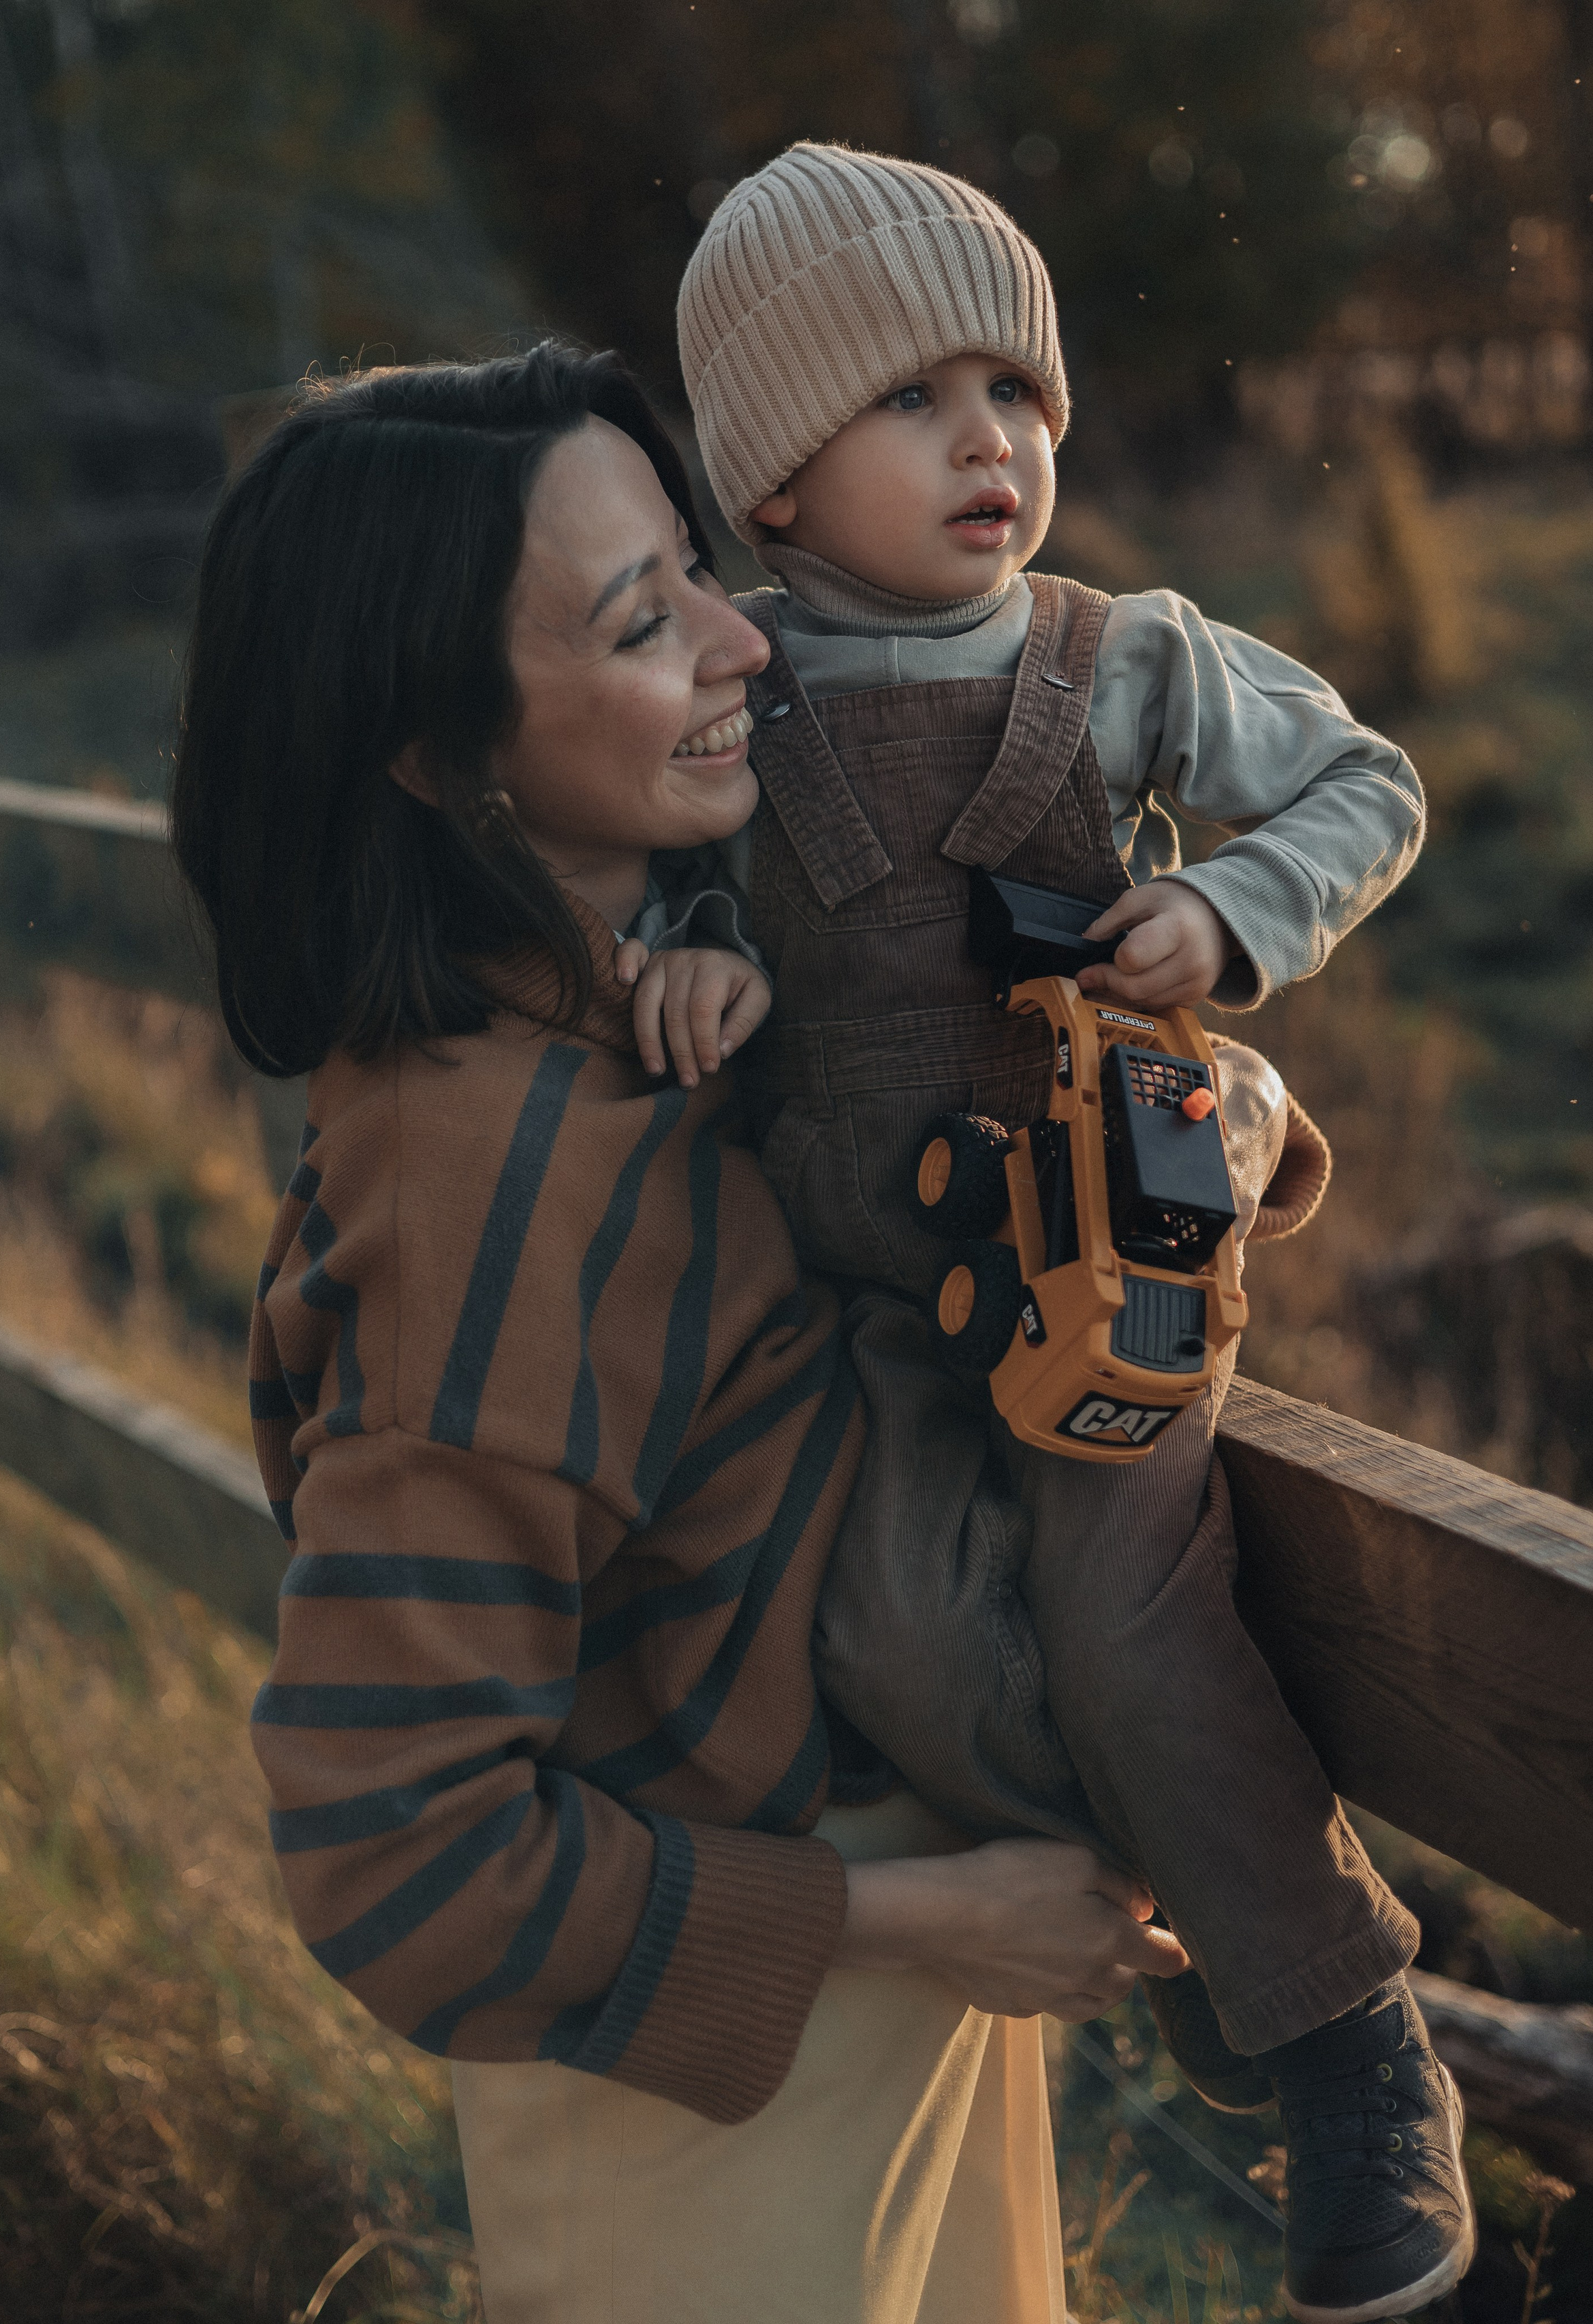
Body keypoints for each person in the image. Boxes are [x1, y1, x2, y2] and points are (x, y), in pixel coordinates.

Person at [169, 343, 1188, 2324]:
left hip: (863, 2027)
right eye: (645, 623)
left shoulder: (650, 1018)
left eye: (702, 570)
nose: (746, 641)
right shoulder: (497, 1172)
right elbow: (397, 1855)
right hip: (722, 2130)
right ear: (436, 753)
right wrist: (930, 1917)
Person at [657, 143, 1473, 2324]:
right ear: (772, 476)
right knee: (895, 1639)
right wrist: (685, 965)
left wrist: (1231, 905)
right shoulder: (727, 692)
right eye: (913, 399)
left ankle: (1347, 2037)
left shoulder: (1117, 662)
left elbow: (1370, 784)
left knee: (1131, 1625)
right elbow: (644, 879)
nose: (990, 442)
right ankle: (1206, 1920)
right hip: (866, 1301)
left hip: (1110, 1259)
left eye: (1015, 391)